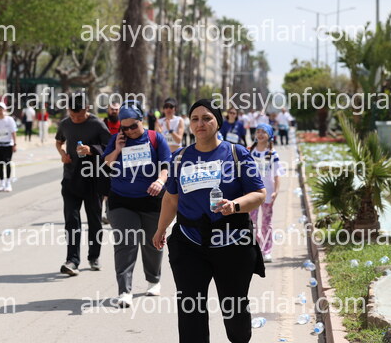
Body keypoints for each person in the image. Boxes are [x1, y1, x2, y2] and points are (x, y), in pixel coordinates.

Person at [153, 99, 266, 343]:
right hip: (190, 243)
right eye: (195, 119)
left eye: (207, 118)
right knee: (190, 310)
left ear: (218, 122)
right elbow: (171, 199)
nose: (200, 123)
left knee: (235, 312)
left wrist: (234, 205)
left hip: (232, 244)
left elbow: (259, 194)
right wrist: (161, 229)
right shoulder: (180, 158)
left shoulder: (237, 153)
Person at [103, 100, 171, 308]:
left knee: (152, 242)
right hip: (121, 200)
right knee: (125, 243)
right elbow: (107, 165)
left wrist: (160, 181)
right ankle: (124, 291)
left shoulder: (155, 138)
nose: (130, 131)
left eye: (133, 126)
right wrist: (117, 149)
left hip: (151, 200)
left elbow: (166, 165)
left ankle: (153, 279)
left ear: (141, 121)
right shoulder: (117, 139)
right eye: (125, 127)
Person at [55, 95, 112, 276]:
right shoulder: (65, 123)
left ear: (87, 109)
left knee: (94, 220)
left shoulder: (97, 124)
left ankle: (94, 256)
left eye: (79, 116)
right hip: (71, 179)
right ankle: (72, 260)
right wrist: (62, 154)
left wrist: (92, 150)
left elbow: (110, 147)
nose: (75, 119)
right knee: (71, 220)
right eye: (72, 115)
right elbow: (59, 141)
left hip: (92, 179)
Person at [248, 123, 283, 263]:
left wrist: (276, 192)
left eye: (264, 132)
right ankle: (255, 249)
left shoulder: (272, 154)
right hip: (252, 193)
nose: (260, 134)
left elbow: (277, 175)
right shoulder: (250, 151)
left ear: (269, 135)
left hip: (268, 194)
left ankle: (267, 251)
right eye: (258, 131)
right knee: (252, 222)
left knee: (266, 223)